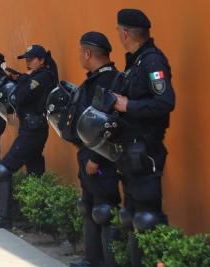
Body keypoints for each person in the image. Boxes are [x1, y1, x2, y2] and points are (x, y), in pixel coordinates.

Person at [112, 9, 176, 267]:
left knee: (148, 217)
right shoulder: (136, 61)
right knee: (131, 216)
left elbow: (165, 102)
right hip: (130, 150)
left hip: (146, 149)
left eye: (118, 32)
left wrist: (129, 107)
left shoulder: (152, 61)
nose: (118, 36)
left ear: (125, 33)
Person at [60, 32, 120, 267]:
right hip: (87, 152)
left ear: (88, 53)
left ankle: (109, 261)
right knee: (89, 205)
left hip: (100, 156)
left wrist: (96, 157)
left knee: (104, 208)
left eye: (80, 52)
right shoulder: (95, 80)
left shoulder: (107, 81)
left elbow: (108, 121)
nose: (79, 57)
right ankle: (92, 258)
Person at [0, 44, 58, 229]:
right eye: (26, 59)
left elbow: (18, 98)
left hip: (33, 129)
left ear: (41, 60)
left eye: (31, 59)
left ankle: (3, 217)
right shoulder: (35, 76)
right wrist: (22, 78)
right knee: (34, 170)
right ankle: (38, 221)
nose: (28, 62)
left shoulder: (42, 76)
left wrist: (22, 81)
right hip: (31, 126)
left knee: (3, 169)